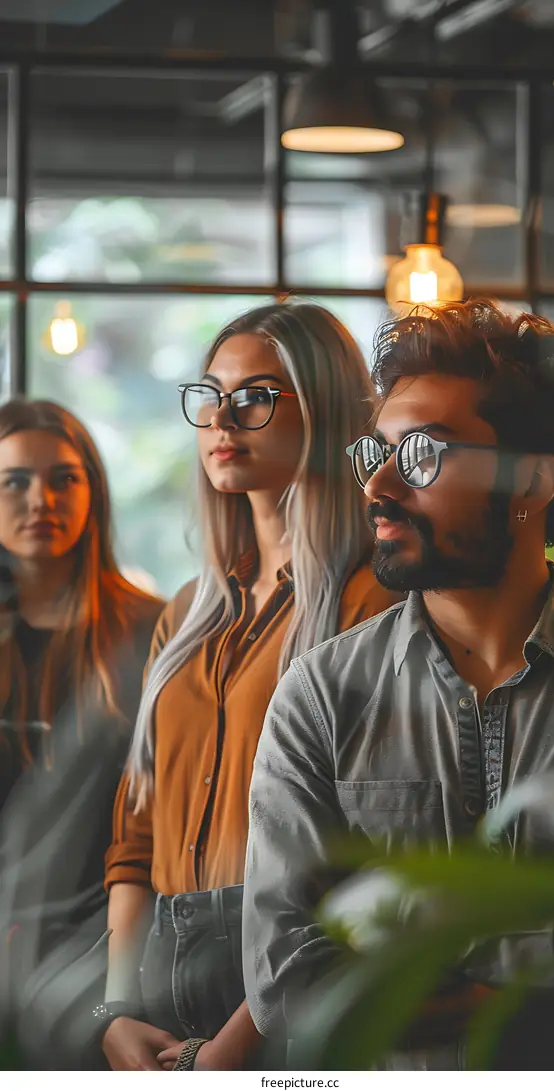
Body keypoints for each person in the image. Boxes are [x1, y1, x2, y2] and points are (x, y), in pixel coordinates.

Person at [243, 299, 554, 1070]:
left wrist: (414, 965)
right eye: (377, 456)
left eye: (423, 457)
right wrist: (553, 979)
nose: (380, 489)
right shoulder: (321, 694)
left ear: (534, 480)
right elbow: (283, 979)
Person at [100, 301, 401, 1072]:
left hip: (291, 980)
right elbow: (134, 831)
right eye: (212, 394)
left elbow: (365, 851)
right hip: (158, 974)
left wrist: (234, 1048)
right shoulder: (190, 614)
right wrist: (115, 1009)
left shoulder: (374, 603)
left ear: (328, 407)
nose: (223, 418)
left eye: (259, 395)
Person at [0, 398, 164, 1067]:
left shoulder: (152, 630)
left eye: (64, 477)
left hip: (107, 947)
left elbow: (156, 817)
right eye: (14, 480)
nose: (41, 498)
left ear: (92, 491)